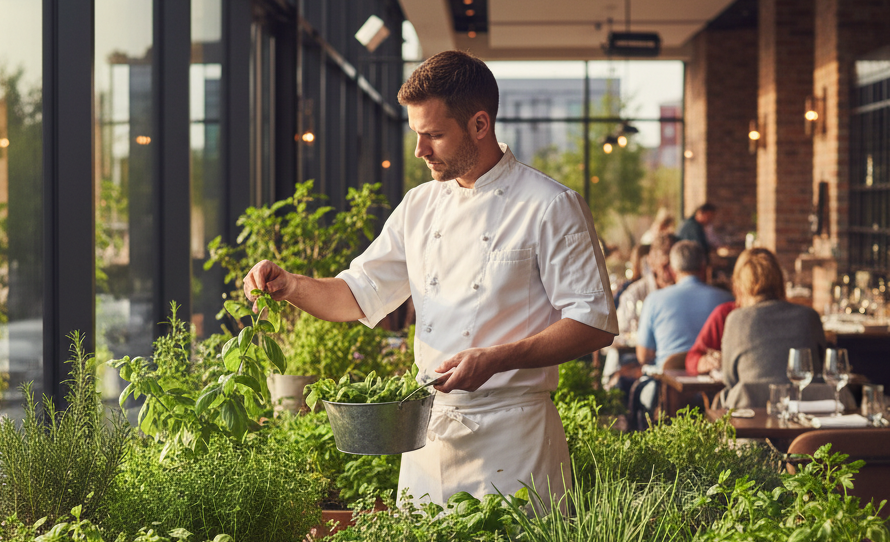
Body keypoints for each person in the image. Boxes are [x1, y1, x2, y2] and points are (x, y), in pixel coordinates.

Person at [243, 50, 618, 505]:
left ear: (480, 125)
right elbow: (356, 295)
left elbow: (594, 322)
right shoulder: (419, 206)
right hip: (429, 436)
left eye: (434, 135)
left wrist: (496, 358)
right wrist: (291, 286)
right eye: (417, 134)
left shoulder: (550, 205)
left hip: (515, 438)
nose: (420, 150)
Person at [629, 240, 733, 428]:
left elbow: (643, 356)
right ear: (703, 267)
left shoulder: (654, 300)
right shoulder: (727, 300)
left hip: (668, 398)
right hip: (718, 396)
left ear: (673, 269)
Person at [716, 248, 826, 409]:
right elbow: (821, 368)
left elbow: (730, 380)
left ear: (739, 284)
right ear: (780, 279)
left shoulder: (736, 320)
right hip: (806, 417)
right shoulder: (809, 316)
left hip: (750, 418)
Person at [602, 233, 676, 392]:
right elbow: (616, 336)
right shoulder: (635, 294)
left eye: (672, 263)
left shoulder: (683, 295)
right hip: (637, 359)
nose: (669, 269)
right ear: (650, 261)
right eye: (664, 264)